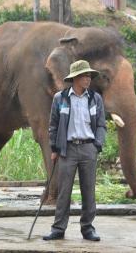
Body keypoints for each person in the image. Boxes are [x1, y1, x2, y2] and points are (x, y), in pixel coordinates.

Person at [43, 59, 106, 242]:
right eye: (85, 75)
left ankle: (88, 229)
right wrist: (54, 148)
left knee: (89, 191)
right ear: (76, 78)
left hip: (88, 148)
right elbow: (53, 126)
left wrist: (97, 145)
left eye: (89, 76)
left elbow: (101, 125)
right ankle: (58, 229)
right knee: (64, 192)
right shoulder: (60, 98)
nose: (88, 79)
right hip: (67, 150)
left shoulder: (95, 99)